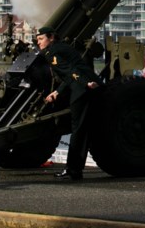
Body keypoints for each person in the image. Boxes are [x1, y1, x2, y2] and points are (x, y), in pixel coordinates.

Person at [35, 25, 101, 181]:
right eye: (37, 39)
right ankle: (74, 169)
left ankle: (73, 170)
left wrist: (86, 83)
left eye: (41, 39)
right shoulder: (61, 48)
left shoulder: (52, 52)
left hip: (81, 90)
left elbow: (71, 71)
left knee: (78, 130)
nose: (38, 42)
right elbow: (68, 74)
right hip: (83, 87)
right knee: (81, 129)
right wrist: (57, 92)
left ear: (51, 38)